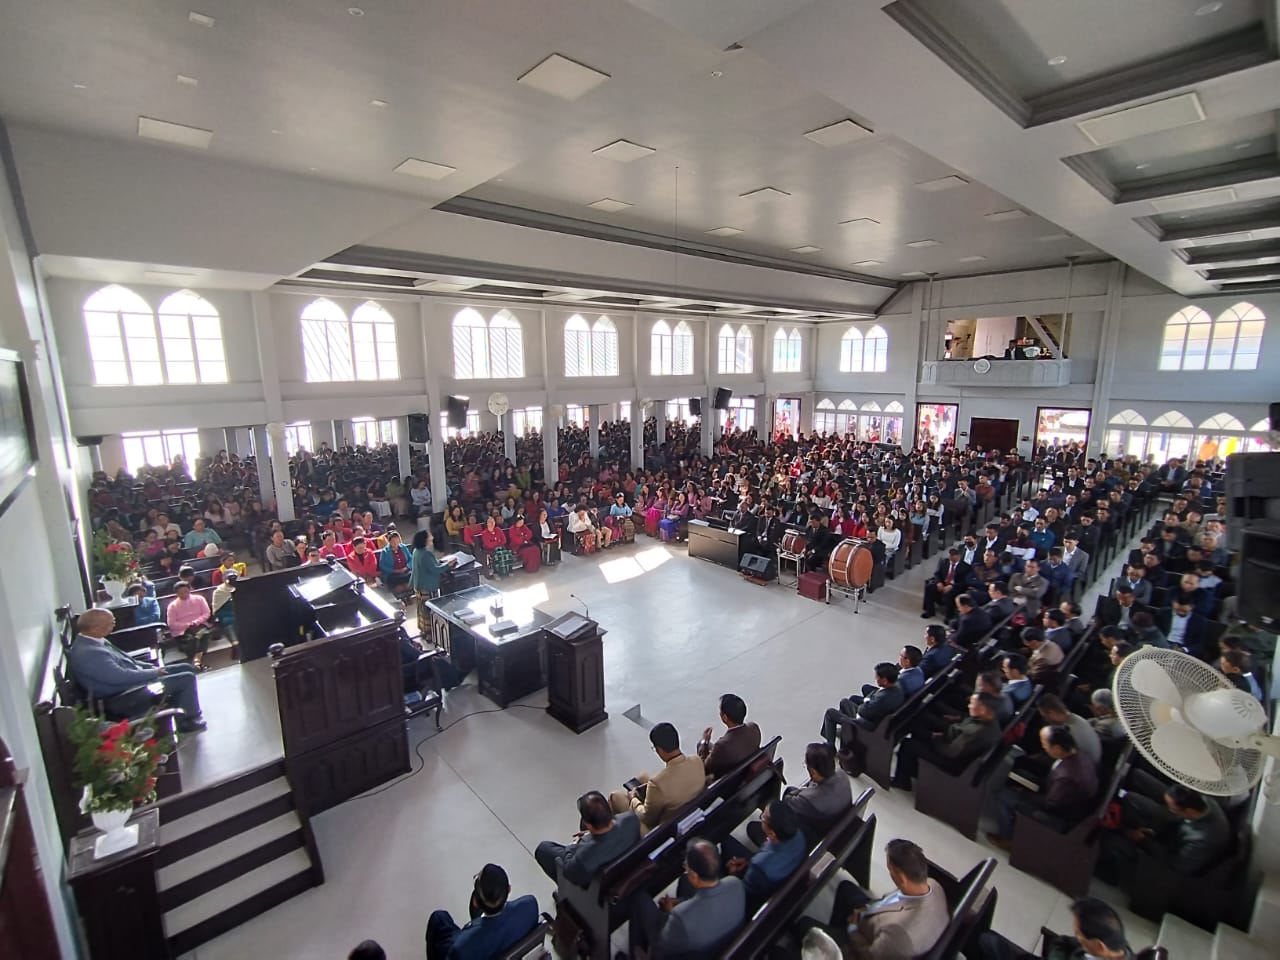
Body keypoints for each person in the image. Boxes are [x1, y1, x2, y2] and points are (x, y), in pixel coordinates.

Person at [68, 608, 206, 731]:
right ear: (95, 628)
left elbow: (128, 660)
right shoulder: (89, 652)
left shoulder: (95, 639)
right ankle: (187, 720)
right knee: (185, 678)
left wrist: (150, 667)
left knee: (185, 667)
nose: (114, 625)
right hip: (124, 695)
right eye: (110, 623)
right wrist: (153, 673)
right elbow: (119, 677)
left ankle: (182, 706)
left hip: (132, 683)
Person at [816, 839, 949, 959]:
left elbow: (869, 955)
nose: (889, 873)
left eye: (890, 870)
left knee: (805, 923)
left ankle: (835, 939)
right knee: (845, 887)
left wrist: (852, 928)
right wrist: (867, 908)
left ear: (902, 878)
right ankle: (835, 926)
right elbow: (891, 899)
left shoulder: (898, 934)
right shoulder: (932, 884)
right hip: (875, 913)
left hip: (861, 942)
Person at [627, 839, 745, 959]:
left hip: (691, 953)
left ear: (694, 876)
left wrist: (668, 914)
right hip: (724, 943)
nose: (685, 870)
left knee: (640, 899)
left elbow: (661, 945)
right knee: (684, 882)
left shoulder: (681, 917)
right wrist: (681, 901)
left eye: (686, 867)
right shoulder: (735, 883)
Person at [987, 725, 1098, 851]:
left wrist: (1024, 794)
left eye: (1044, 743)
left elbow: (1050, 804)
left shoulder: (1067, 778)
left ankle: (1008, 838)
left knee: (1002, 795)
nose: (1043, 746)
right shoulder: (1080, 755)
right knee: (1020, 775)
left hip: (1058, 817)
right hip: (1056, 794)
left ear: (1057, 748)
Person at [424, 862, 539, 960]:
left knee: (439, 918)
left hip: (475, 945)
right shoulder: (530, 905)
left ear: (475, 902)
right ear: (508, 889)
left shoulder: (461, 949)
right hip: (504, 942)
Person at [891, 692, 1001, 790]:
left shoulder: (974, 732)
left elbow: (950, 752)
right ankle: (911, 769)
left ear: (982, 709)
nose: (969, 706)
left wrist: (936, 738)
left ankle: (902, 781)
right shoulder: (992, 723)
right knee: (922, 728)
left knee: (909, 744)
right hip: (959, 751)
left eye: (972, 704)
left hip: (952, 763)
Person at [609, 722, 704, 832]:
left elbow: (646, 818)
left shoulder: (657, 784)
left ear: (660, 750)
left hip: (662, 830)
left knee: (615, 796)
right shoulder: (697, 761)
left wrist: (633, 800)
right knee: (643, 776)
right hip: (688, 813)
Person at [534, 790, 641, 885]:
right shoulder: (631, 819)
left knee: (543, 849)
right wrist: (588, 836)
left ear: (589, 825)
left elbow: (568, 871)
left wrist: (575, 844)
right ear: (609, 808)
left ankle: (567, 894)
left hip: (599, 889)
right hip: (629, 869)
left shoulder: (584, 857)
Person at [977, 896, 1134, 960]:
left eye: (1078, 933)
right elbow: (1062, 941)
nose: (1076, 935)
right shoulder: (1117, 945)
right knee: (986, 938)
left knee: (985, 942)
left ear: (1099, 946)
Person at [716, 800, 807, 910]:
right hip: (780, 870)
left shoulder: (760, 866)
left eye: (762, 817)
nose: (761, 818)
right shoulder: (799, 836)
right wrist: (747, 861)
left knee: (723, 848)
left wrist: (733, 875)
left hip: (754, 895)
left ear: (772, 834)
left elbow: (744, 891)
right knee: (727, 841)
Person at [821, 662, 904, 748]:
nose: (876, 678)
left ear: (885, 681)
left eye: (877, 677)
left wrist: (867, 701)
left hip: (866, 725)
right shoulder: (898, 689)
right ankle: (840, 732)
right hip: (877, 719)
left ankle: (830, 746)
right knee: (844, 702)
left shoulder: (882, 699)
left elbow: (862, 711)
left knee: (830, 713)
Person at [696, 693, 762, 781]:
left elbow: (705, 768)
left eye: (720, 712)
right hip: (745, 773)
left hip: (730, 785)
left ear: (725, 717)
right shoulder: (754, 728)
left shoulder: (722, 746)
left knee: (701, 744)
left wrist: (705, 742)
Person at [411, 529, 457, 634]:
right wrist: (448, 564)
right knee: (429, 609)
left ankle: (423, 630)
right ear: (425, 539)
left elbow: (432, 564)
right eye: (430, 535)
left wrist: (442, 561)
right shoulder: (426, 553)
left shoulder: (416, 551)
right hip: (428, 586)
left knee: (421, 609)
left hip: (418, 584)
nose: (432, 537)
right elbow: (436, 569)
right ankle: (430, 633)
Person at [166, 580, 213, 670]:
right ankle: (197, 662)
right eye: (180, 593)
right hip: (182, 630)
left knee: (204, 634)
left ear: (190, 590)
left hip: (199, 625)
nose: (184, 594)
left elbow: (206, 613)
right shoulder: (172, 606)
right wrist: (188, 625)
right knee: (192, 639)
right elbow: (171, 624)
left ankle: (196, 661)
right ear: (176, 593)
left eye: (186, 591)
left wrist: (196, 622)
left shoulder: (199, 599)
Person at [921, 547, 968, 620]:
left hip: (955, 586)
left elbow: (964, 582)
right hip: (943, 583)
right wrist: (939, 582)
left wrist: (951, 586)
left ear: (959, 557)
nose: (951, 560)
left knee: (950, 594)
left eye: (953, 558)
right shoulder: (944, 562)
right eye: (950, 557)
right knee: (930, 587)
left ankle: (949, 616)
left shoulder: (965, 567)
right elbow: (937, 574)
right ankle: (929, 611)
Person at [210, 569, 238, 654]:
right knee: (228, 622)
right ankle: (235, 644)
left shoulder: (241, 586)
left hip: (240, 611)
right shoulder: (219, 591)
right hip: (226, 614)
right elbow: (217, 610)